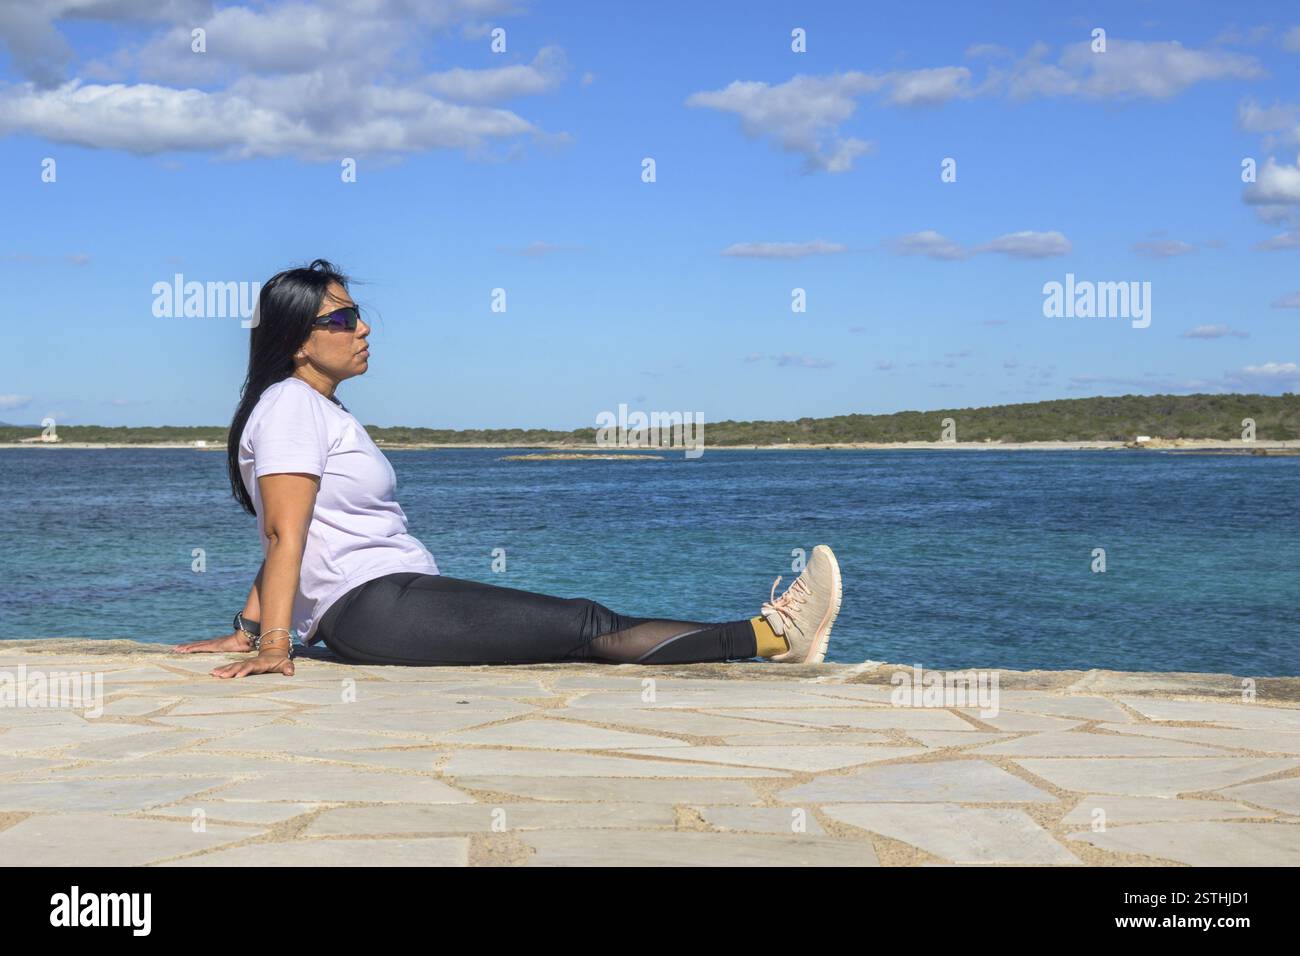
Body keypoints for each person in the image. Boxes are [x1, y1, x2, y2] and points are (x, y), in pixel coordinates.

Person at [173, 259, 843, 678]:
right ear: (296, 342)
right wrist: (272, 646)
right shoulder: (292, 406)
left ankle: (769, 637)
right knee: (585, 627)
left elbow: (296, 531)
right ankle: (774, 636)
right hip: (371, 607)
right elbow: (283, 536)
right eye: (343, 318)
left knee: (579, 630)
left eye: (359, 314)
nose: (363, 329)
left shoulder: (317, 408)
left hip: (384, 602)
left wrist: (251, 627)